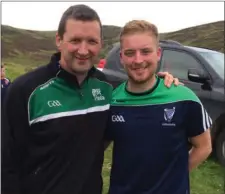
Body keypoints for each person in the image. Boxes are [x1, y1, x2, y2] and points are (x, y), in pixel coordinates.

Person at [2, 4, 179, 194]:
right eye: (76, 40)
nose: (83, 50)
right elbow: (6, 163)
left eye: (92, 41)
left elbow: (135, 93)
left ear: (101, 44)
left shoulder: (106, 88)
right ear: (59, 40)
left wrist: (160, 82)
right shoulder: (25, 91)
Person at [105, 20, 212, 194]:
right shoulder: (112, 101)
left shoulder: (183, 98)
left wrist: (175, 178)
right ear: (121, 57)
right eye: (130, 53)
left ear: (158, 54)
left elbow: (204, 146)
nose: (138, 60)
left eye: (146, 51)